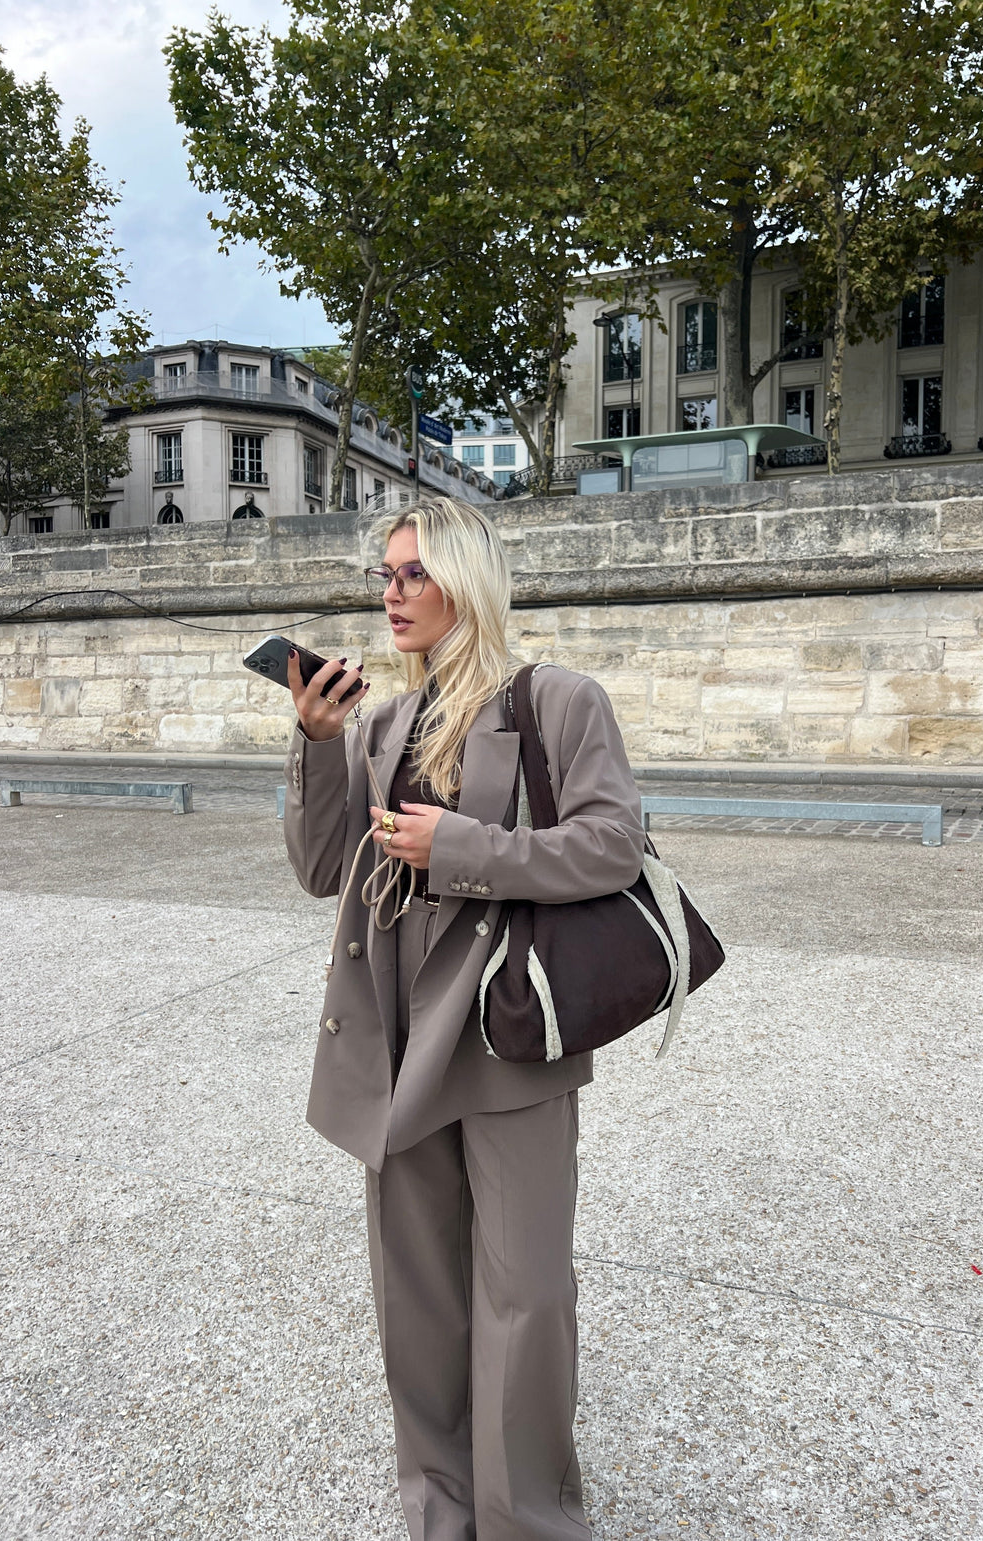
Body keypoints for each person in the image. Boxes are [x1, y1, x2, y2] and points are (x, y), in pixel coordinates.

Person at [283, 495, 645, 1541]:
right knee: (419, 1302)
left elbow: (612, 844)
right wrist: (315, 742)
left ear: (465, 579)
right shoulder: (380, 723)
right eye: (384, 574)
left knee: (524, 1295)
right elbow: (322, 869)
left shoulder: (558, 701)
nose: (391, 593)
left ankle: (524, 1519)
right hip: (394, 1035)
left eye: (413, 573)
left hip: (503, 1031)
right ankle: (439, 1514)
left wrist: (461, 848)